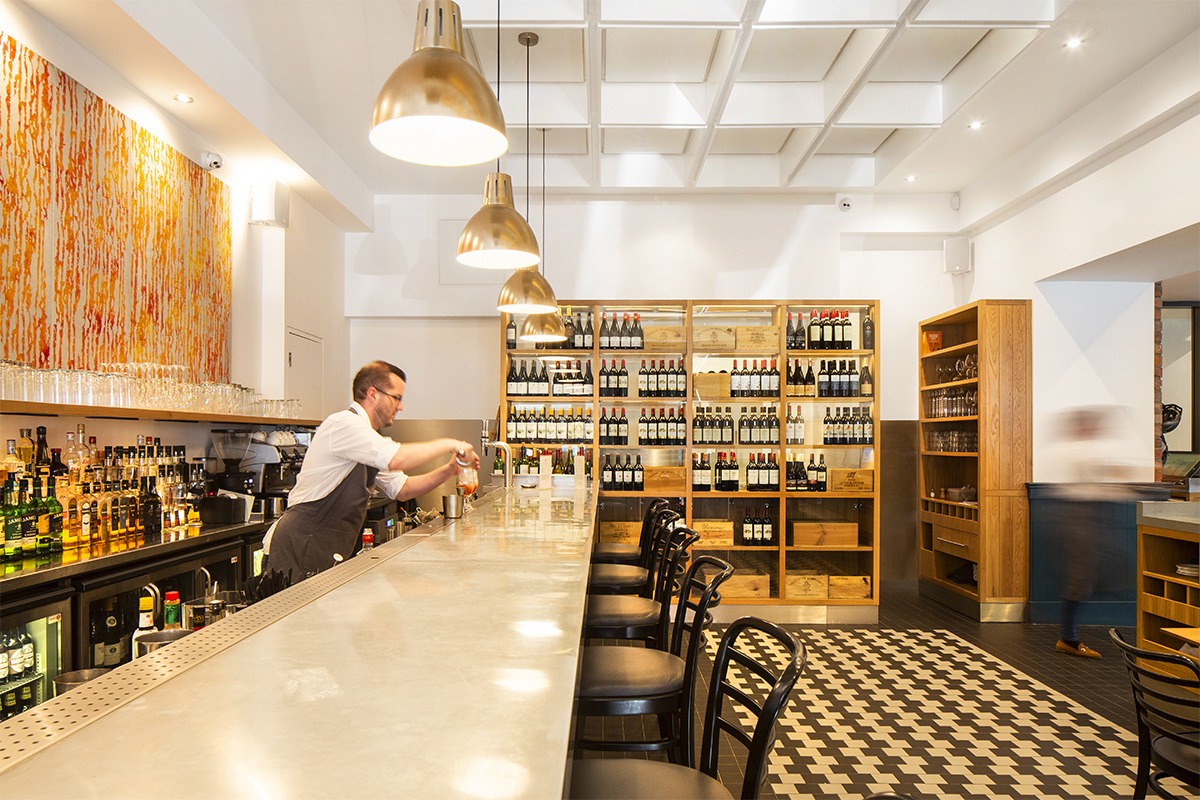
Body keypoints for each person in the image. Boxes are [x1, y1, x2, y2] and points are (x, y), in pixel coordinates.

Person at [263, 360, 480, 581]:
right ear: (373, 393)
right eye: (397, 398)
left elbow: (402, 489)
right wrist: (453, 444)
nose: (401, 406)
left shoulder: (367, 438)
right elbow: (396, 458)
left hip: (324, 548)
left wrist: (450, 469)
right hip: (300, 546)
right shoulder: (344, 424)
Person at [1046, 406, 1135, 659]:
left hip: (1084, 518)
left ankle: (1069, 636)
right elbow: (1099, 482)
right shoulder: (1080, 452)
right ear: (1083, 426)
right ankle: (1068, 638)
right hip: (1080, 519)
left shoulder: (1076, 450)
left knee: (1091, 577)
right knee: (1081, 580)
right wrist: (1124, 486)